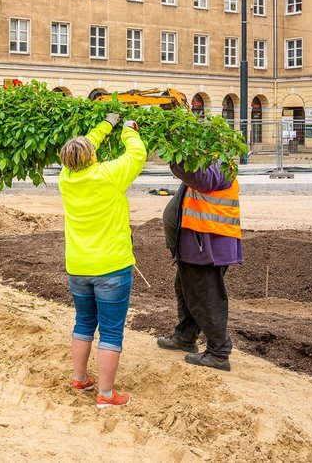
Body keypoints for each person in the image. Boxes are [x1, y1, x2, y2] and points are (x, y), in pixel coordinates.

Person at [59, 112, 146, 408]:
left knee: (83, 322)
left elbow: (85, 145)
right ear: (92, 155)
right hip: (111, 267)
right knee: (111, 331)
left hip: (78, 266)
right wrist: (128, 129)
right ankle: (107, 395)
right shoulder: (109, 174)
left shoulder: (66, 178)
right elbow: (137, 152)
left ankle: (80, 379)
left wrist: (106, 125)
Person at [157, 160, 242, 371]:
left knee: (205, 296)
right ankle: (185, 336)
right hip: (197, 244)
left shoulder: (221, 165)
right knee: (187, 289)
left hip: (208, 245)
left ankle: (219, 353)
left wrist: (175, 151)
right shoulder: (208, 160)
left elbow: (200, 178)